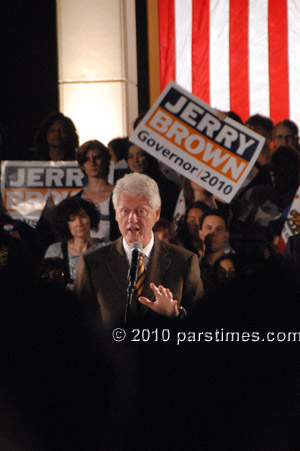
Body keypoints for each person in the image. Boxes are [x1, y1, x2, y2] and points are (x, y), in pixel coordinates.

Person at [74, 173, 203, 329]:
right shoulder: (92, 263)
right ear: (115, 214)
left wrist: (177, 314)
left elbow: (201, 325)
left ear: (156, 213)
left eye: (141, 211)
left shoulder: (184, 261)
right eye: (125, 211)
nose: (132, 219)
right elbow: (79, 326)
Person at [44, 197, 109, 284]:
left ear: (90, 218)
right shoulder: (55, 251)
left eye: (82, 216)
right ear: (65, 224)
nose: (79, 223)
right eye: (72, 219)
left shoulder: (105, 246)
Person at [76, 139, 120, 241]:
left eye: (97, 158)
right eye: (87, 159)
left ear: (106, 160)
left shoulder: (120, 196)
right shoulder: (78, 199)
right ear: (82, 166)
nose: (92, 163)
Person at [125, 143, 180, 221]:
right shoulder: (122, 187)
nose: (135, 160)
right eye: (131, 156)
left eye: (140, 155)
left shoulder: (168, 188)